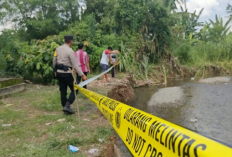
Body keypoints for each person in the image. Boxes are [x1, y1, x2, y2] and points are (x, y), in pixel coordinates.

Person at [53, 35, 87, 114]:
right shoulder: (70, 51)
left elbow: (54, 60)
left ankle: (65, 108)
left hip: (59, 73)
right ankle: (67, 105)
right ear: (71, 41)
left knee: (63, 90)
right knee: (75, 89)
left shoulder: (57, 49)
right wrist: (82, 75)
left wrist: (55, 70)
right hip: (67, 73)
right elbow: (75, 65)